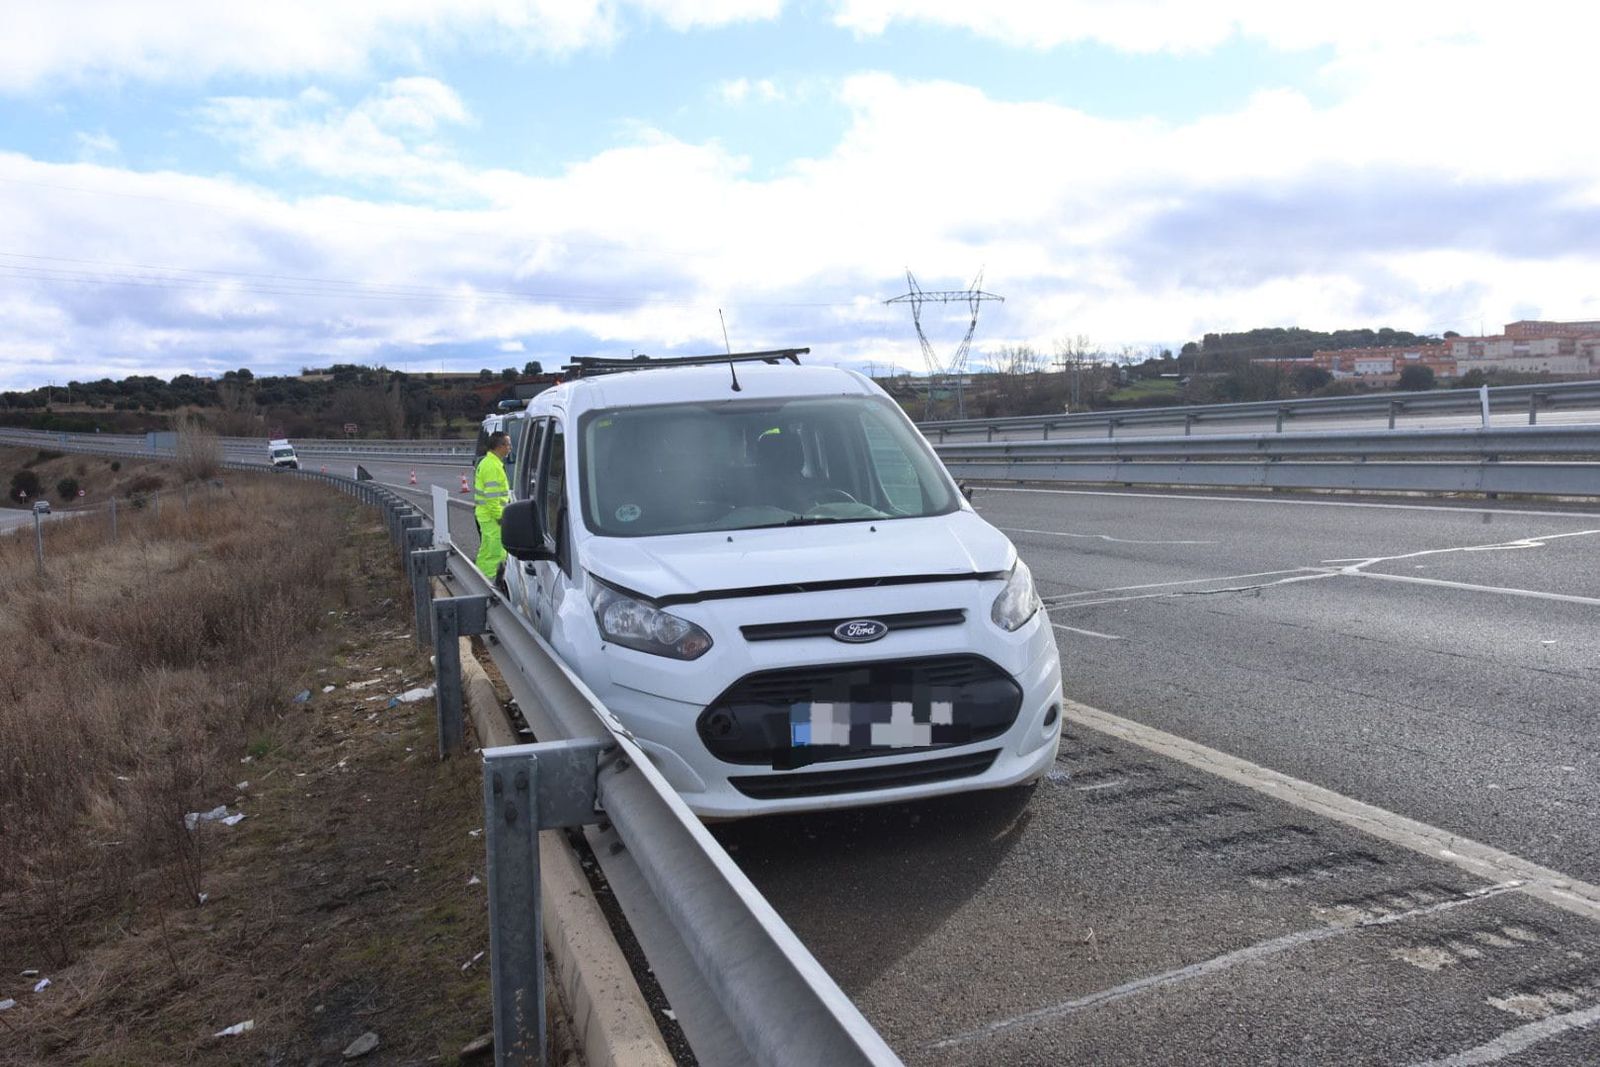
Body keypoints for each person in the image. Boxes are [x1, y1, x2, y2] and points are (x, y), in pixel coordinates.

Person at [474, 430, 511, 582]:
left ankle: (479, 578)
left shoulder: (489, 463)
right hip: (492, 518)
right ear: (499, 446)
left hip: (487, 516)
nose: (510, 448)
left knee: (486, 551)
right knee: (495, 554)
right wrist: (500, 517)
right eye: (508, 444)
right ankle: (489, 583)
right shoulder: (492, 466)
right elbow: (492, 498)